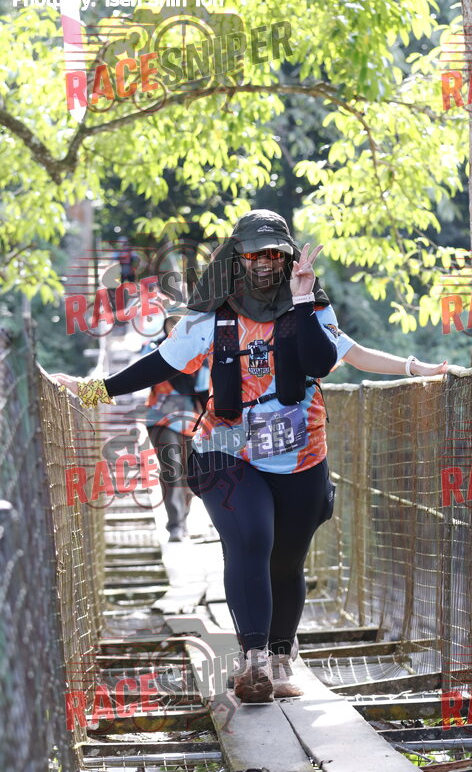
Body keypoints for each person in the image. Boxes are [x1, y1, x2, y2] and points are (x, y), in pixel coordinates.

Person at [54, 209, 340, 704]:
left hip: (300, 455)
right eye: (254, 253)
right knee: (251, 538)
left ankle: (280, 657)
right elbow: (161, 363)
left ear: (288, 257)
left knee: (286, 561)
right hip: (226, 450)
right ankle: (253, 662)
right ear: (237, 258)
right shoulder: (212, 314)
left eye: (275, 253)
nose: (265, 262)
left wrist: (300, 299)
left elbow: (322, 361)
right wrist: (93, 389)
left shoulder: (312, 306)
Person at [141, 313, 201, 541]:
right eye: (171, 322)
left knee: (190, 472)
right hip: (161, 418)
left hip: (191, 419)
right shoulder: (154, 348)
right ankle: (175, 524)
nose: (175, 326)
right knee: (171, 469)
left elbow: (204, 383)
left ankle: (183, 518)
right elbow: (143, 372)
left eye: (179, 322)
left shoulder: (200, 347)